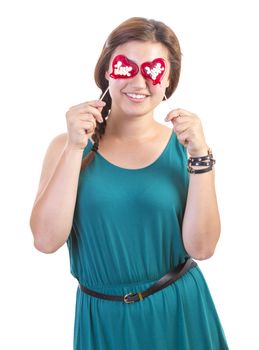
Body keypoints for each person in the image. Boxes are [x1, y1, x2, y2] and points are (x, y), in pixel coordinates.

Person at [30, 16, 229, 350]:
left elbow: (203, 248)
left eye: (153, 70)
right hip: (103, 320)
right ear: (107, 71)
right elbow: (46, 240)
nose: (139, 81)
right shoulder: (67, 148)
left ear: (168, 82)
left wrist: (200, 157)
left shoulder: (188, 151)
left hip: (180, 312)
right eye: (126, 67)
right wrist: (75, 148)